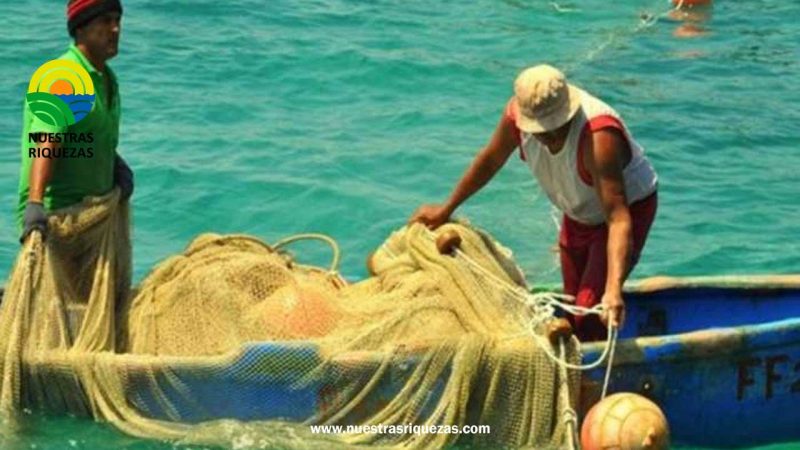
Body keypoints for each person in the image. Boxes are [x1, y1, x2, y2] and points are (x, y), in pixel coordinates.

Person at [410, 65, 658, 341]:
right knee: (572, 300)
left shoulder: (598, 137)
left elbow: (618, 218)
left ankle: (598, 373)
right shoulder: (515, 119)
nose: (551, 138)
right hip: (578, 209)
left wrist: (612, 289)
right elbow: (490, 160)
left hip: (623, 211)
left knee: (589, 311)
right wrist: (446, 208)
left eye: (556, 128)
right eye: (542, 131)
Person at [17, 0, 132, 242]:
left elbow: (89, 133)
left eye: (117, 20)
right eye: (105, 21)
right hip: (57, 220)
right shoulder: (63, 77)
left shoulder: (106, 79)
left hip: (94, 216)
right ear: (80, 28)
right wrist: (35, 203)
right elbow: (46, 140)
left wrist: (114, 163)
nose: (115, 29)